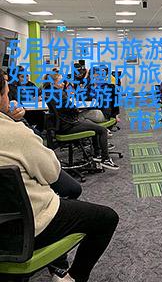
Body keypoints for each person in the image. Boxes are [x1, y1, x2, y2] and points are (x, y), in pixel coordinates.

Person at [0, 69, 119, 282]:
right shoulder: (14, 133)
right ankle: (68, 275)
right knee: (104, 216)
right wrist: (17, 122)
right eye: (7, 93)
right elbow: (52, 173)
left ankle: (57, 265)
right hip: (24, 229)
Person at [45, 73, 119, 170]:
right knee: (102, 130)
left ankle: (97, 154)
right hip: (69, 125)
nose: (63, 83)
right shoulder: (60, 94)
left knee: (93, 125)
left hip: (62, 126)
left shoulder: (49, 93)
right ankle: (105, 159)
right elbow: (73, 109)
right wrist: (76, 109)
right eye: (60, 82)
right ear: (53, 83)